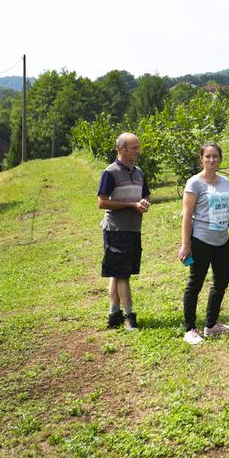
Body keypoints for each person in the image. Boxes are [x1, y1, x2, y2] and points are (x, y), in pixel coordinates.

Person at [178, 141, 229, 345]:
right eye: (207, 156)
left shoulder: (225, 182)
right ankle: (190, 329)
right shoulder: (194, 183)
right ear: (201, 159)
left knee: (221, 282)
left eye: (215, 156)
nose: (211, 160)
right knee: (195, 283)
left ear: (220, 159)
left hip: (221, 241)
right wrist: (185, 244)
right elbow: (187, 215)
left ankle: (211, 325)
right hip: (201, 240)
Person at [97, 132, 151, 330]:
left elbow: (146, 195)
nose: (138, 151)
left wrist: (144, 202)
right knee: (123, 274)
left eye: (138, 147)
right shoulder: (110, 172)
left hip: (133, 229)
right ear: (122, 149)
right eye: (134, 148)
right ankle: (129, 316)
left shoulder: (139, 172)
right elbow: (102, 202)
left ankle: (113, 315)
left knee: (117, 273)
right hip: (116, 230)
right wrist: (131, 205)